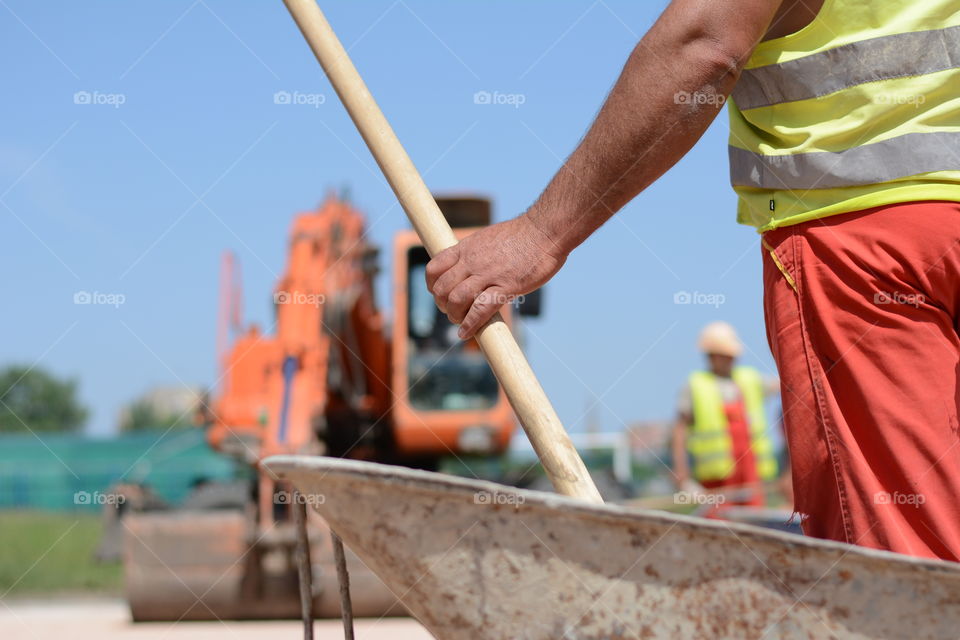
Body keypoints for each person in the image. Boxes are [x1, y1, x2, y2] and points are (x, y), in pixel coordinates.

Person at [425, 0, 960, 561]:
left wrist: (541, 233)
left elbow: (705, 44)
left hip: (867, 235)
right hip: (893, 252)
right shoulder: (701, 392)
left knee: (904, 550)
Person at [672, 322, 780, 508]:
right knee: (721, 524)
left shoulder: (749, 379)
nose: (731, 360)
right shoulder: (696, 385)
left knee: (753, 524)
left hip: (751, 476)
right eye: (725, 356)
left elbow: (786, 385)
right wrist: (681, 473)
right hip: (716, 480)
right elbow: (679, 431)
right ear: (712, 356)